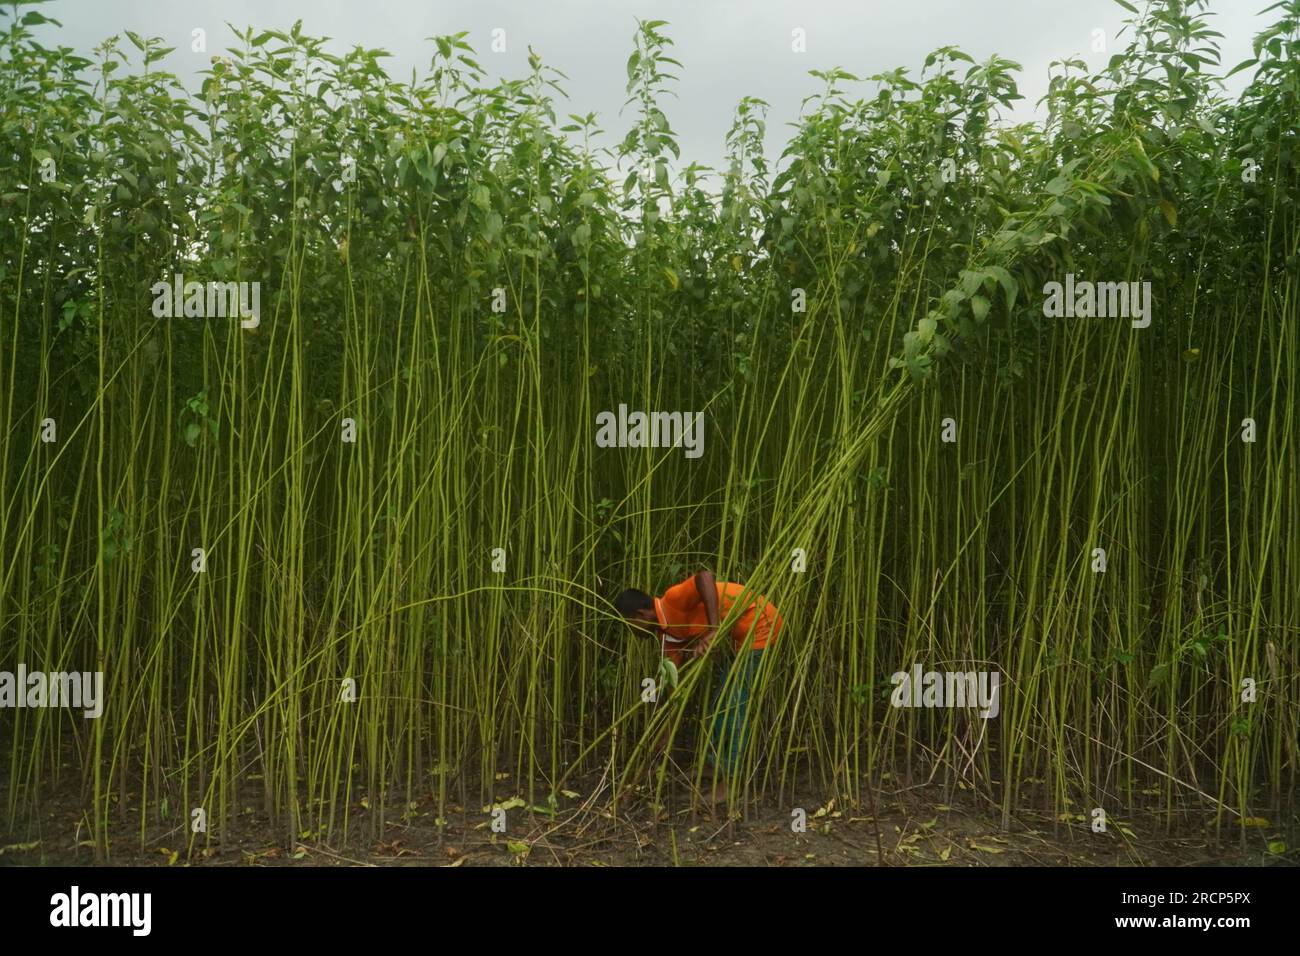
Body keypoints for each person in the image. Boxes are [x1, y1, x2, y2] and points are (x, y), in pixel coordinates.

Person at [614, 569, 781, 803]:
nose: (631, 632)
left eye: (629, 624)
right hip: (739, 638)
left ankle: (731, 783)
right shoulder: (668, 639)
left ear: (641, 614)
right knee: (720, 703)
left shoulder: (673, 599)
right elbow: (675, 694)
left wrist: (713, 631)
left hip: (760, 623)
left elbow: (705, 576)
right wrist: (667, 733)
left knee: (733, 707)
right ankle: (716, 766)